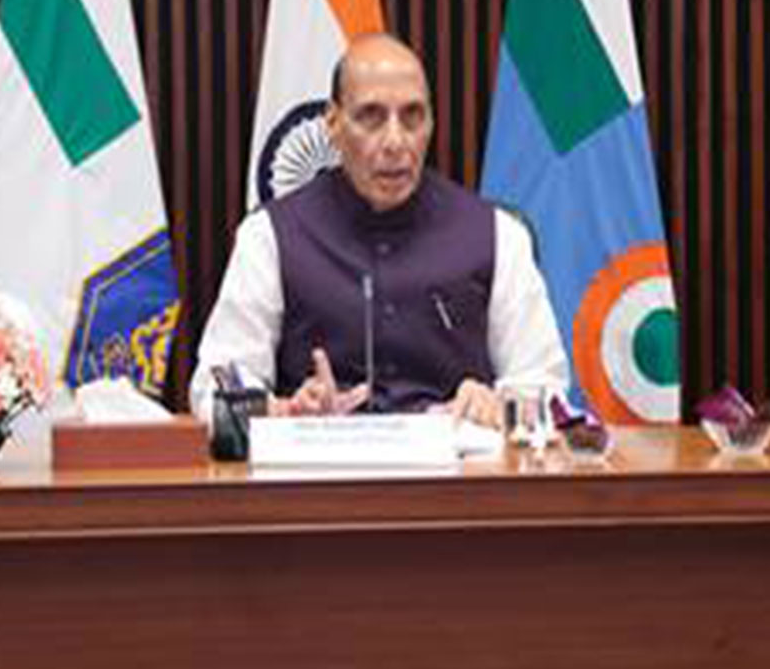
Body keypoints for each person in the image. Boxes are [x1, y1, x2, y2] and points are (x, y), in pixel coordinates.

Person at [191, 33, 569, 428]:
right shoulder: (269, 235)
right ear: (334, 125)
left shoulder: (497, 234)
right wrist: (283, 411)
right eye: (371, 117)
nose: (395, 141)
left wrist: (500, 406)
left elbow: (547, 391)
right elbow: (213, 389)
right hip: (319, 475)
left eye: (413, 117)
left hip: (456, 478)